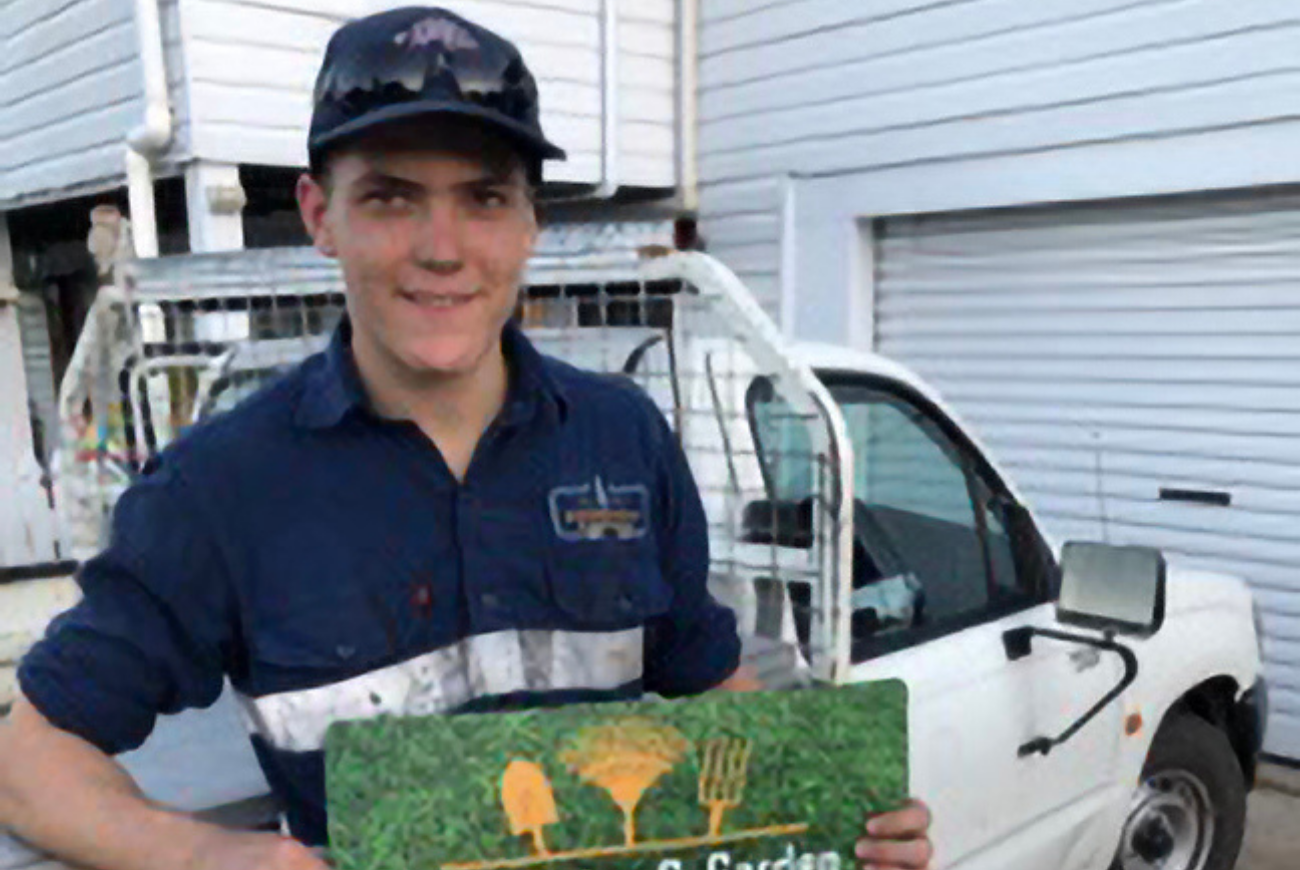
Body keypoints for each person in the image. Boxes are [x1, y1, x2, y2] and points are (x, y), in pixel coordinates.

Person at [0, 7, 933, 870]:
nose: (443, 248)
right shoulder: (220, 488)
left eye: (485, 198)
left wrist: (836, 807)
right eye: (393, 199)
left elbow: (704, 678)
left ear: (530, 221)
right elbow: (27, 765)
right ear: (322, 216)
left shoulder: (622, 439)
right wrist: (221, 859)